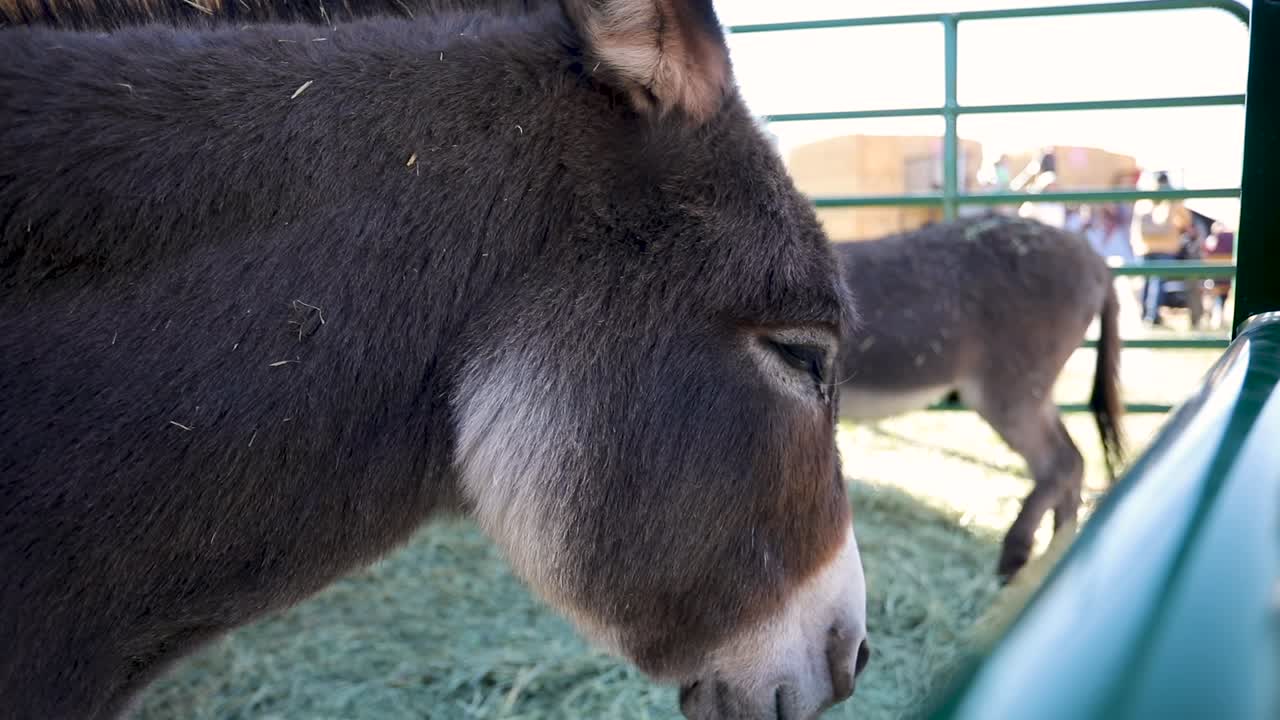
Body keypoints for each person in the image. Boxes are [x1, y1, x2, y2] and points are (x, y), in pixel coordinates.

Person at [1131, 171, 1191, 325]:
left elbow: (1136, 227)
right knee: (1157, 281)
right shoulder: (1172, 200)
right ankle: (1152, 316)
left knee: (1145, 282)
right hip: (1165, 246)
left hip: (1144, 247)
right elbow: (1186, 220)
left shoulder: (1144, 199)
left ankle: (1144, 314)